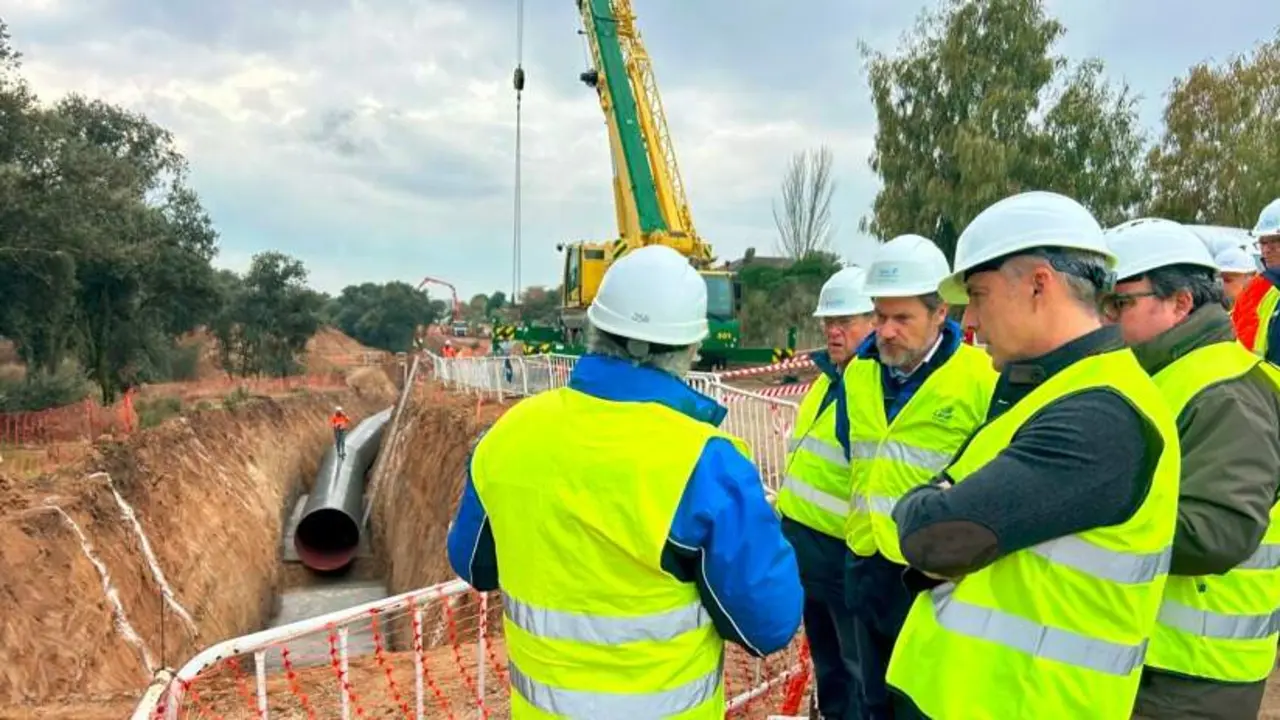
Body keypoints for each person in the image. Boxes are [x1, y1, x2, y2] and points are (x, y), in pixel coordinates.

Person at [445, 245, 803, 719]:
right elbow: (768, 623)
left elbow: (473, 565)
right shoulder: (707, 463)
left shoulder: (509, 435)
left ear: (593, 330)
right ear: (689, 349)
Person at [884, 191, 1181, 719]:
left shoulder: (1100, 416)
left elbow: (932, 535)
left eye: (978, 294)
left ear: (1040, 284)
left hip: (1026, 701)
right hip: (978, 695)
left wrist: (929, 508)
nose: (969, 318)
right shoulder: (1049, 390)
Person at [1103, 218, 1280, 720]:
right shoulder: (1161, 373)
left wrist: (1076, 509)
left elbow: (1218, 532)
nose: (1105, 319)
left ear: (1181, 302)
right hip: (1154, 653)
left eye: (1120, 304)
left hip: (1194, 671)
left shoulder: (1225, 392)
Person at [840, 234, 998, 719]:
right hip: (868, 564)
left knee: (924, 704)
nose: (885, 331)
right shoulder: (857, 374)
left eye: (902, 318)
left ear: (940, 315)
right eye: (880, 316)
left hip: (934, 577)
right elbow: (856, 452)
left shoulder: (981, 378)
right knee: (872, 702)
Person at [775, 266, 876, 720]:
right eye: (828, 323)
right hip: (811, 560)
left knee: (855, 674)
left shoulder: (872, 388)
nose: (833, 332)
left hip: (844, 559)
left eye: (846, 322)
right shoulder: (825, 382)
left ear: (873, 321)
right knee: (830, 669)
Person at [1233, 197, 1280, 360]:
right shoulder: (1256, 292)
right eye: (1262, 242)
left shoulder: (1258, 291)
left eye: (1275, 241)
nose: (1266, 250)